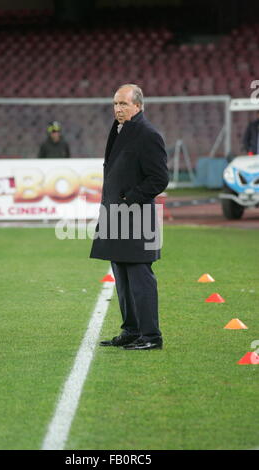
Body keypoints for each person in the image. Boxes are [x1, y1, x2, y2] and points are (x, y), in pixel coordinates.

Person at [90, 84, 169, 351]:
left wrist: (129, 199)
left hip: (136, 218)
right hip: (117, 216)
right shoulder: (120, 129)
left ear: (138, 106)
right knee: (121, 277)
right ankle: (132, 330)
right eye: (115, 104)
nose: (118, 109)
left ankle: (151, 336)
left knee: (139, 276)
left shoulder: (148, 134)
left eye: (123, 104)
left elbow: (159, 178)